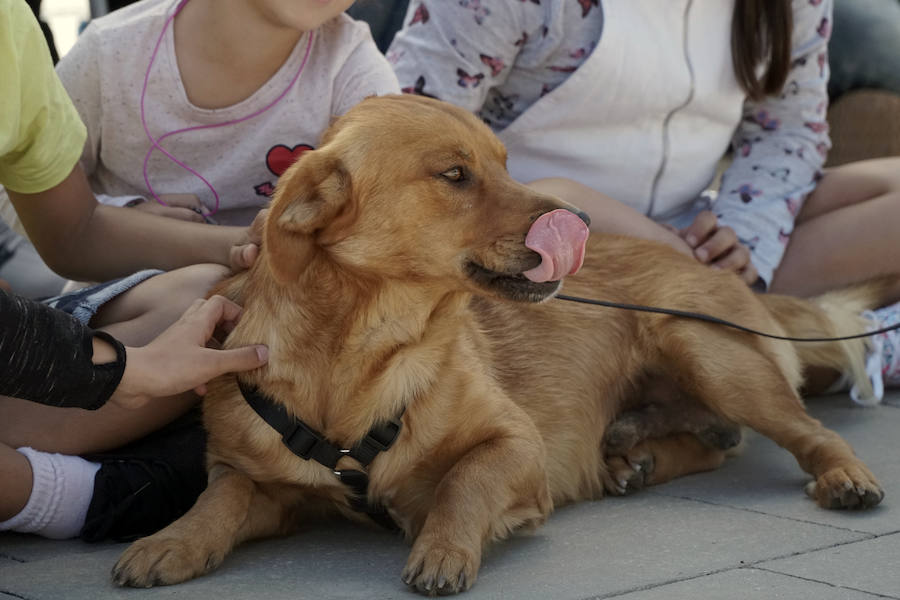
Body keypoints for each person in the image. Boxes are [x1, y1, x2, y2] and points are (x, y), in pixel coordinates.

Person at [387, 0, 900, 397]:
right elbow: (407, 132)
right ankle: (837, 350)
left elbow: (787, 129)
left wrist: (743, 239)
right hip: (540, 257)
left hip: (697, 235)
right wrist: (655, 244)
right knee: (557, 198)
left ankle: (758, 342)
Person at [0, 0, 276, 541]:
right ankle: (90, 495)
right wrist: (124, 371)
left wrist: (242, 248)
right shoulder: (110, 47)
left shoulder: (11, 26)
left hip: (35, 340)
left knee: (212, 303)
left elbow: (72, 230)